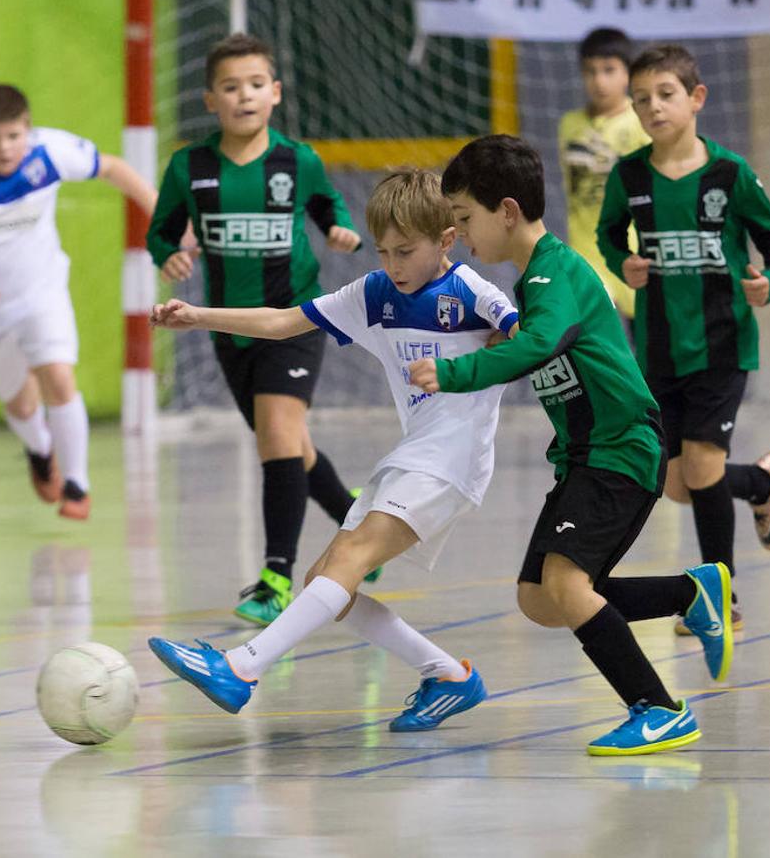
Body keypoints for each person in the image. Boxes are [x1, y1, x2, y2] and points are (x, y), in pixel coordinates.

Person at [146, 168, 520, 731]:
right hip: (413, 455)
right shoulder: (374, 293)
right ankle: (448, 676)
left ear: (445, 241)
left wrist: (489, 352)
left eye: (406, 251)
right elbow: (281, 321)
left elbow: (536, 336)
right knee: (325, 581)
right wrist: (199, 317)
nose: (392, 264)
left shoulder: (472, 292)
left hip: (453, 461)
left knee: (345, 564)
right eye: (383, 250)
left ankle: (240, 668)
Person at [408, 134, 733, 756]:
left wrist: (455, 374)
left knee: (565, 584)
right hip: (586, 457)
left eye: (465, 219)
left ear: (506, 211)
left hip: (621, 449)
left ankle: (659, 708)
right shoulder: (536, 279)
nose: (463, 235)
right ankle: (690, 594)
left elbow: (539, 343)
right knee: (539, 599)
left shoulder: (556, 273)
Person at [146, 33, 363, 626]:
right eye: (230, 86)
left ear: (276, 92)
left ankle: (275, 577)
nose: (245, 95)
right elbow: (160, 231)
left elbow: (327, 206)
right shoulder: (190, 167)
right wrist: (169, 255)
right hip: (230, 327)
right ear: (210, 100)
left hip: (295, 318)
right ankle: (358, 524)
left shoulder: (298, 160)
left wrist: (339, 230)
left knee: (276, 432)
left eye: (256, 84)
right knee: (287, 442)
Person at [596, 45, 770, 633]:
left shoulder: (730, 175)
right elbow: (610, 236)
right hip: (657, 352)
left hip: (722, 345)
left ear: (696, 98)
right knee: (681, 485)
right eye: (641, 100)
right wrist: (623, 262)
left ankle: (719, 601)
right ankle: (761, 482)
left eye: (665, 94)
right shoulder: (629, 175)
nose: (653, 107)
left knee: (704, 468)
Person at [0, 84, 157, 520]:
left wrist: (159, 210)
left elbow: (112, 167)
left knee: (59, 377)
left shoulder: (49, 151)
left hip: (43, 291)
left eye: (13, 136)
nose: (4, 148)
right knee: (22, 404)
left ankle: (77, 484)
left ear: (27, 129)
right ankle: (40, 448)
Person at [558, 27, 649, 320]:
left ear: (628, 73)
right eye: (590, 71)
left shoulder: (641, 122)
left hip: (635, 251)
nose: (599, 80)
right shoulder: (569, 125)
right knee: (594, 349)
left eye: (609, 70)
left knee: (649, 350)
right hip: (587, 254)